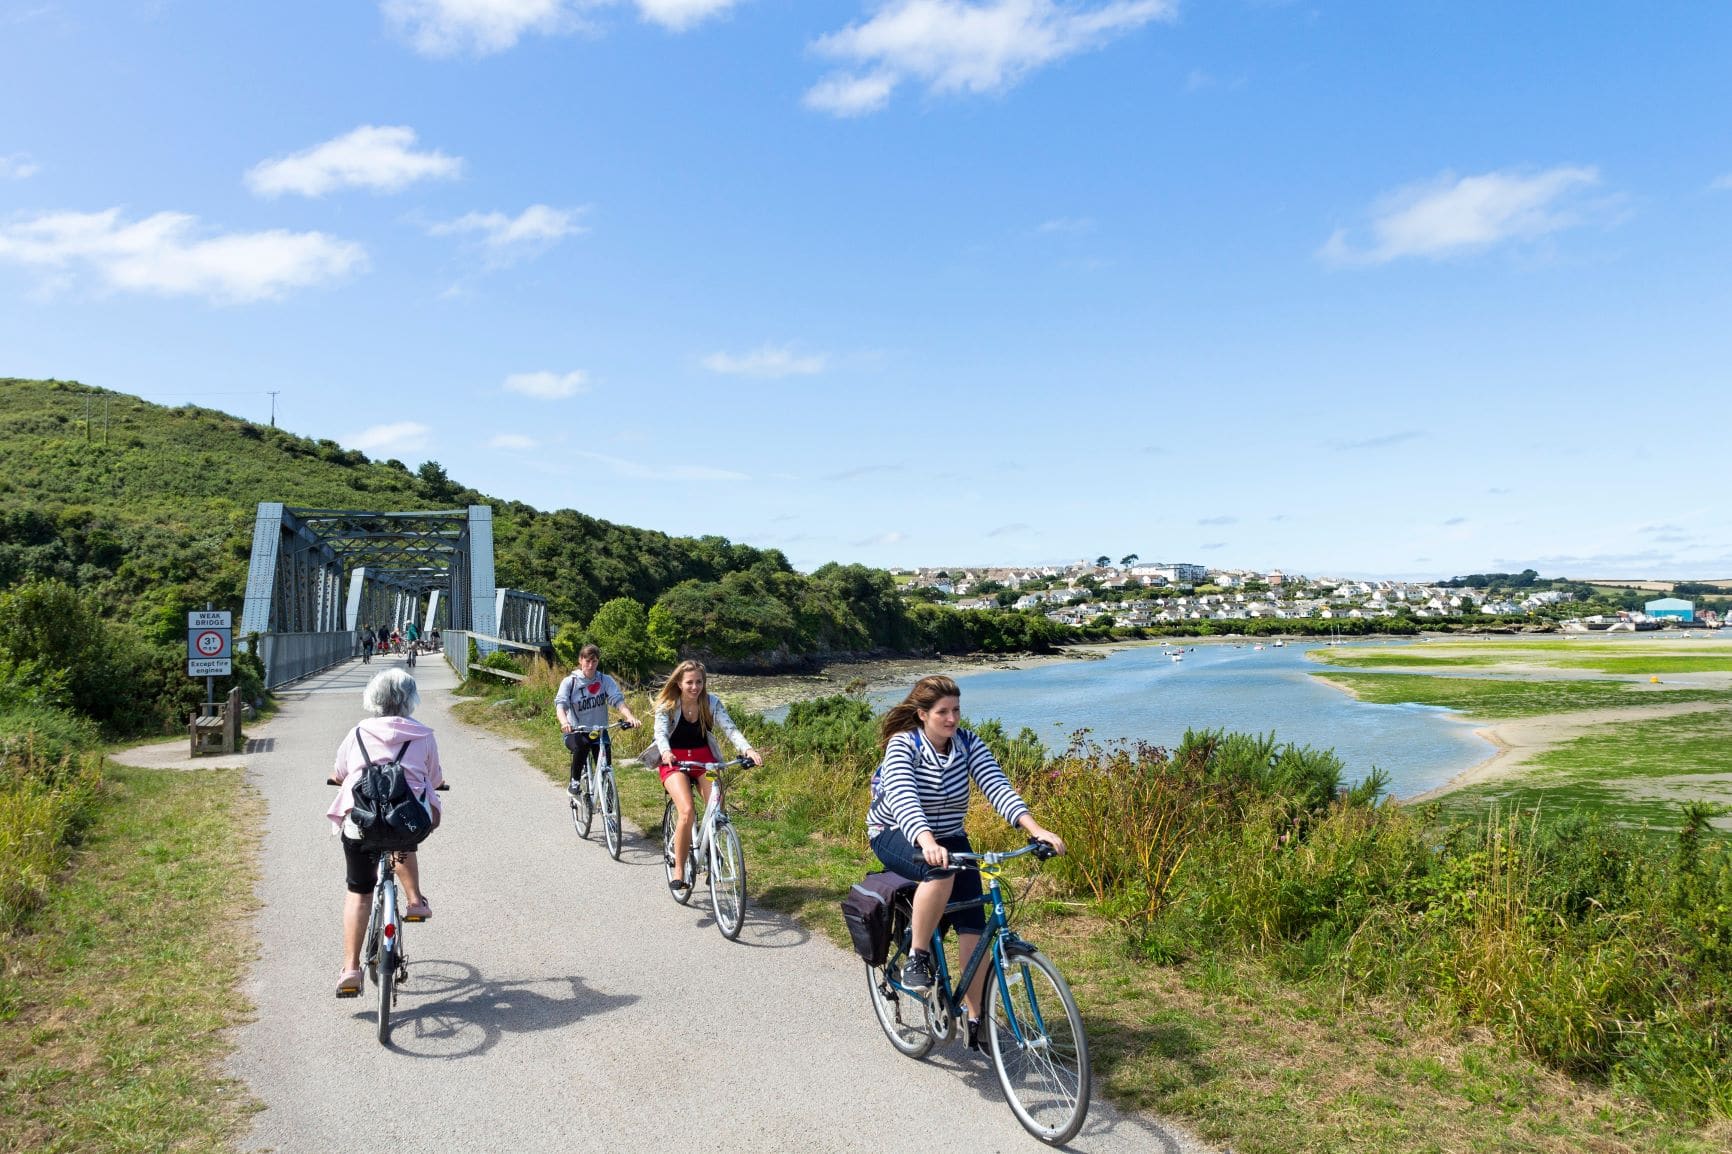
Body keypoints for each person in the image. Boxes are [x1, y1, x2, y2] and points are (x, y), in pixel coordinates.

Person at [866, 675, 1065, 1049]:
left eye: (956, 710)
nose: (952, 719)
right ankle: (918, 957)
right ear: (922, 715)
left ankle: (977, 1020)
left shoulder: (968, 743)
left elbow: (997, 785)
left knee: (975, 925)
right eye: (943, 712)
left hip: (949, 834)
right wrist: (925, 841)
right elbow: (905, 799)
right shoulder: (902, 746)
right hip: (895, 830)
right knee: (939, 874)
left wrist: (1035, 829)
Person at [325, 667, 444, 997]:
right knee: (403, 830)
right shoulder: (423, 735)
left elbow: (340, 772)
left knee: (359, 891)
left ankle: (350, 969)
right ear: (410, 700)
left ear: (373, 699)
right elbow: (434, 778)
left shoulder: (358, 733)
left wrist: (341, 779)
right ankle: (416, 901)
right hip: (406, 824)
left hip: (361, 823)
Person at [651, 660, 762, 895]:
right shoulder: (668, 704)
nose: (695, 687)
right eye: (689, 682)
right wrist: (665, 751)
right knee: (687, 810)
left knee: (717, 807)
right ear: (679, 683)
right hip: (674, 761)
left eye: (699, 682)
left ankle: (710, 849)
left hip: (704, 760)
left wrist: (747, 749)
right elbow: (660, 733)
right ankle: (679, 871)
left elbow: (730, 729)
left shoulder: (710, 703)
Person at [555, 643, 642, 795]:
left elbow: (617, 700)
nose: (591, 665)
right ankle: (574, 781)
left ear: (598, 662)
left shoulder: (604, 680)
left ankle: (608, 801)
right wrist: (565, 722)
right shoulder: (570, 682)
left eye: (594, 661)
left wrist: (630, 717)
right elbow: (560, 705)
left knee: (605, 765)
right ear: (580, 660)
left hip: (599, 731)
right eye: (587, 661)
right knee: (582, 746)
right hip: (576, 731)